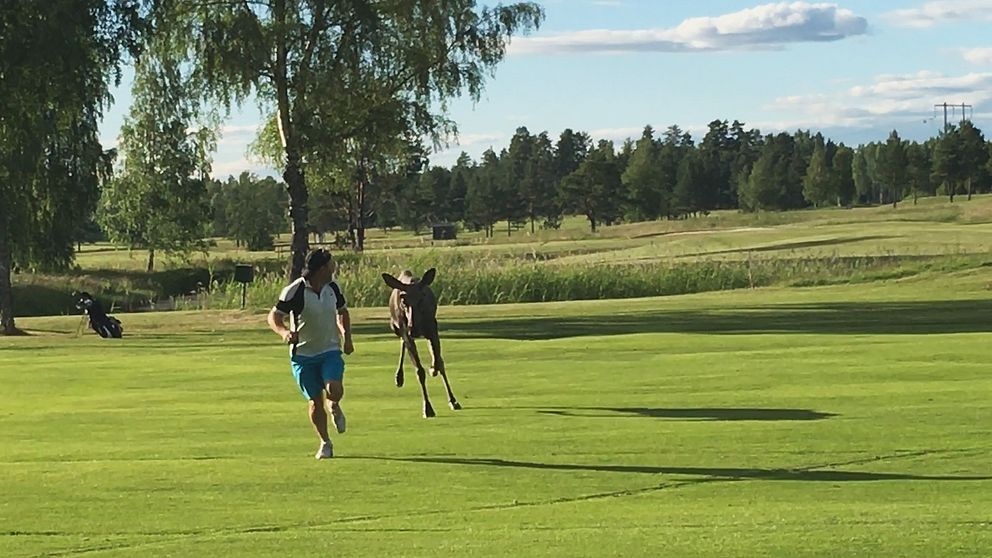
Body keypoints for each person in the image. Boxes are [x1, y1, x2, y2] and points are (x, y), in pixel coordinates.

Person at [267, 248, 354, 459]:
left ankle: (334, 405)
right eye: (331, 264)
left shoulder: (333, 287)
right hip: (303, 356)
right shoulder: (294, 290)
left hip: (330, 350)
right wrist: (284, 332)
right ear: (322, 268)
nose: (334, 267)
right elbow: (274, 317)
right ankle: (325, 442)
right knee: (315, 402)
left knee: (334, 390)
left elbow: (342, 312)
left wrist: (347, 336)